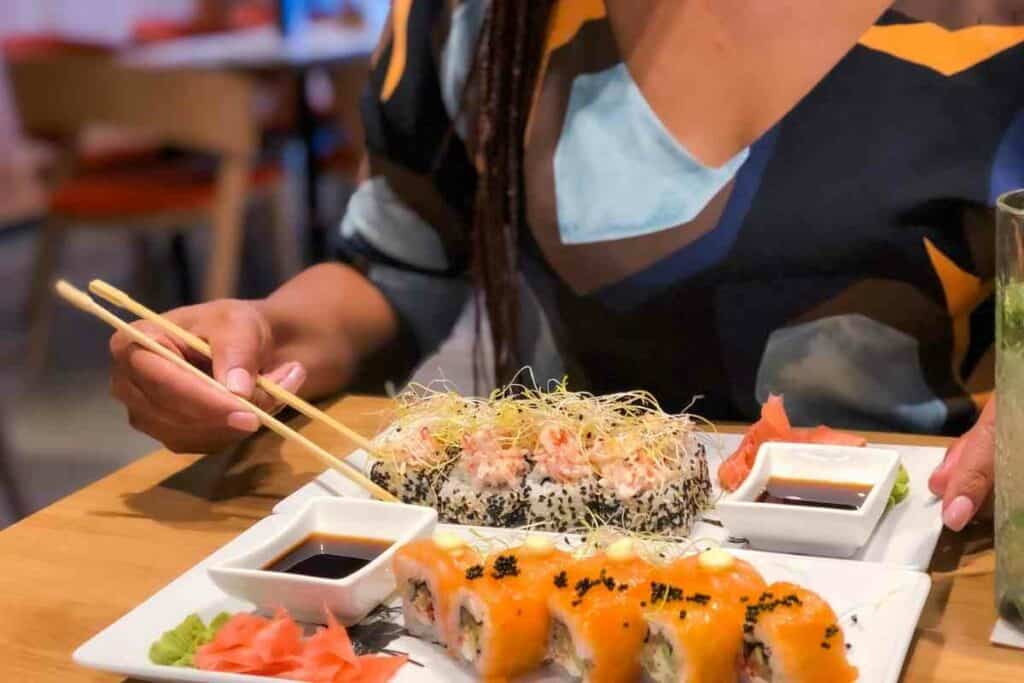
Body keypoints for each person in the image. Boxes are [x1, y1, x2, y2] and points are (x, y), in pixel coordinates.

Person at [108, 1, 1024, 531]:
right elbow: (395, 261)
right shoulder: (479, 16)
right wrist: (262, 339)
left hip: (934, 581)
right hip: (551, 587)